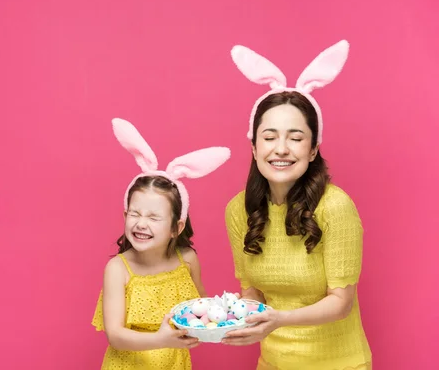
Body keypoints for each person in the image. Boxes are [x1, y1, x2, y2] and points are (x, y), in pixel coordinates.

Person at [222, 41, 372, 370]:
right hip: (273, 363)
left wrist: (279, 320)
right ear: (253, 145)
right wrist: (229, 317)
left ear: (313, 149)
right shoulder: (239, 210)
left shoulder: (335, 206)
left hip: (338, 364)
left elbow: (341, 303)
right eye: (270, 136)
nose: (282, 149)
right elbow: (254, 295)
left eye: (296, 137)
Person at [92, 118, 231, 369]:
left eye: (154, 217)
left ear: (176, 228)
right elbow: (115, 335)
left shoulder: (186, 260)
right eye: (134, 214)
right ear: (125, 215)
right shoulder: (118, 269)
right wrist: (159, 339)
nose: (141, 224)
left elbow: (201, 304)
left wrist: (227, 316)